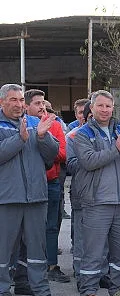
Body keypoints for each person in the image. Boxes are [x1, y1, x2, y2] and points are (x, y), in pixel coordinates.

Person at [74, 90, 120, 296]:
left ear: (114, 109)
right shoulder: (82, 133)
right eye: (100, 106)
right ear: (91, 109)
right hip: (96, 202)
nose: (105, 110)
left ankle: (117, 290)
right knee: (93, 252)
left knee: (119, 251)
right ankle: (89, 294)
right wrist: (116, 148)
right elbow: (89, 161)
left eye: (108, 106)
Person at [0, 84, 61, 296]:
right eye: (13, 100)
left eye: (20, 100)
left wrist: (44, 136)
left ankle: (42, 293)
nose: (18, 104)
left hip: (36, 197)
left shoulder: (37, 123)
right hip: (7, 198)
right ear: (2, 102)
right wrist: (20, 138)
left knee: (38, 249)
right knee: (3, 250)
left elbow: (52, 155)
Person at [23, 90, 69, 283]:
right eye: (37, 103)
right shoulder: (21, 126)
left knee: (51, 226)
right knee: (25, 230)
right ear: (26, 107)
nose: (42, 107)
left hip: (51, 182)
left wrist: (43, 143)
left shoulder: (55, 125)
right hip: (26, 185)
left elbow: (62, 153)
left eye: (43, 103)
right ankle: (23, 270)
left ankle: (52, 265)